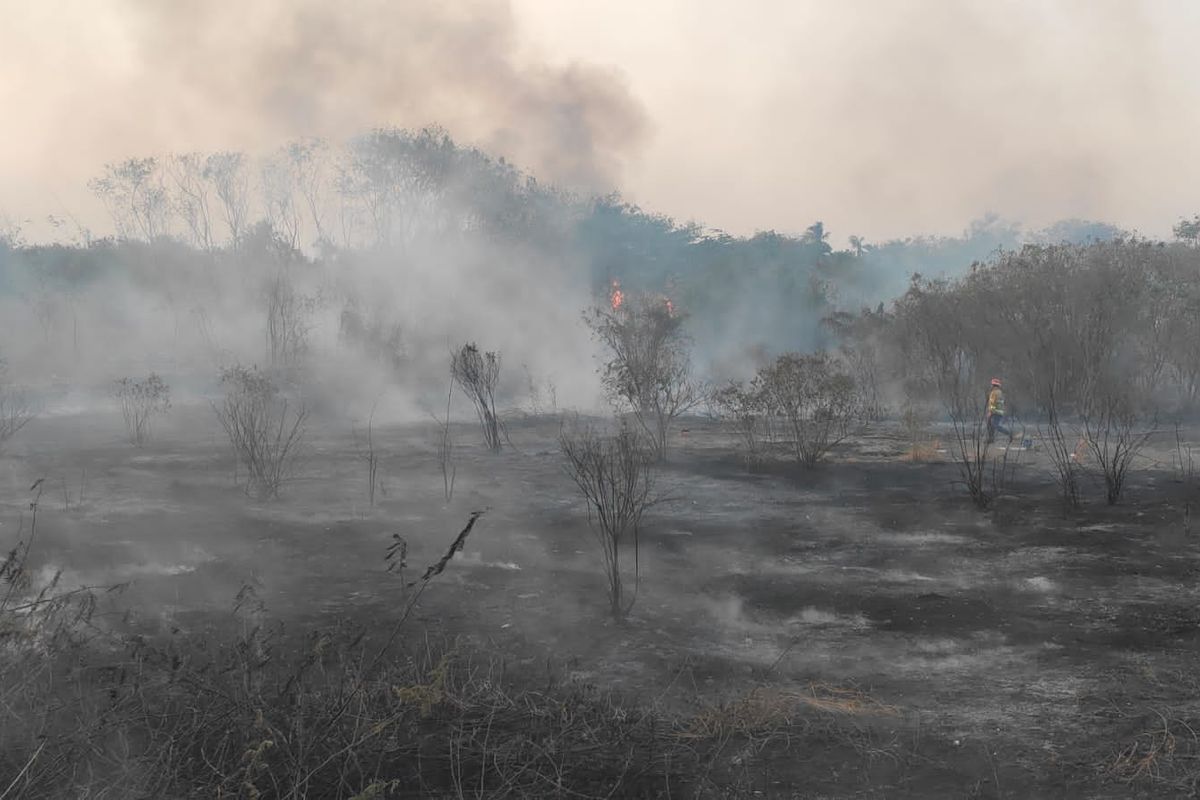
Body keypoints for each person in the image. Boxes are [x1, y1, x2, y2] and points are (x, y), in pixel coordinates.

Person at [985, 377, 1013, 444]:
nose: (991, 386)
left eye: (991, 384)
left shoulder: (994, 393)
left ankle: (1009, 433)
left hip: (995, 412)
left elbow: (993, 403)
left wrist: (990, 412)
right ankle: (991, 439)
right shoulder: (999, 392)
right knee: (990, 425)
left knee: (995, 425)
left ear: (993, 385)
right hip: (998, 412)